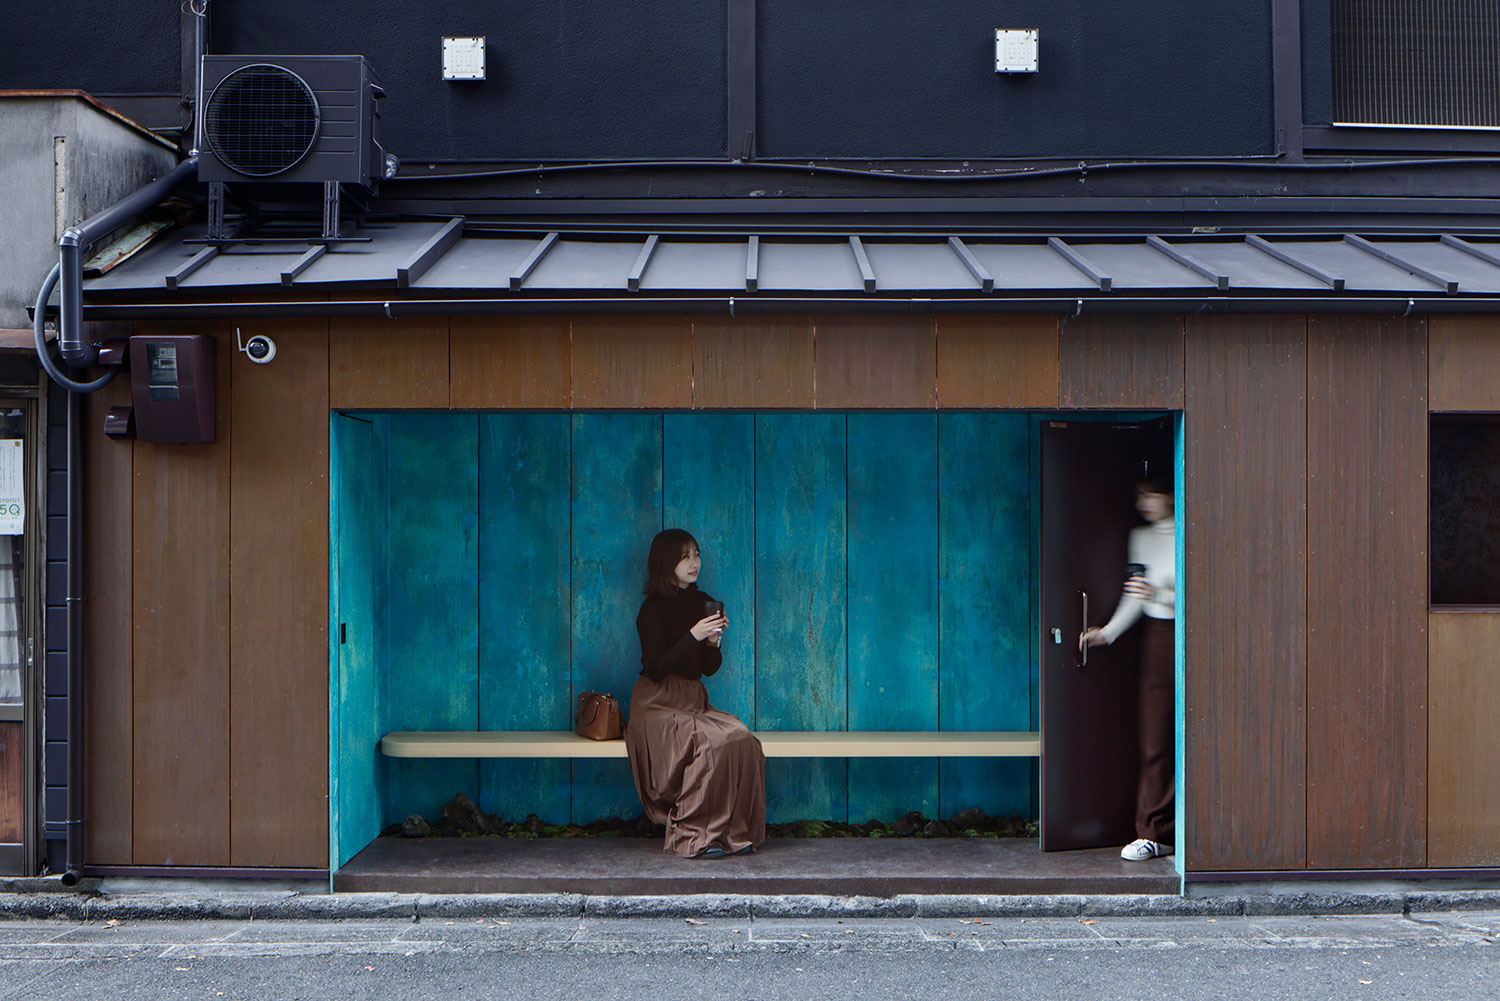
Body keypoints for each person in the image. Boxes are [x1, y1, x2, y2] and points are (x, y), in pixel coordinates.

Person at [626, 528, 766, 859]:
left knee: (742, 737)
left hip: (692, 698)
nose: (694, 563)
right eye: (684, 556)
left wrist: (713, 643)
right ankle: (694, 835)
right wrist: (692, 635)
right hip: (657, 702)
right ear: (666, 561)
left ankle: (731, 832)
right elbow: (655, 667)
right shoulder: (652, 610)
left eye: (697, 554)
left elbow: (707, 668)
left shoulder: (701, 602)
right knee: (710, 742)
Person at [1079, 476, 1176, 862]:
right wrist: (1109, 633)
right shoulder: (1141, 537)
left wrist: (1164, 594)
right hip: (1158, 638)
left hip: (1200, 637)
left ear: (1172, 493)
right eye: (1141, 494)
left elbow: (1211, 591)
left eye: (1153, 493)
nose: (1146, 501)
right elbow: (1137, 594)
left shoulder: (1193, 530)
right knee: (1155, 738)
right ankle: (1155, 832)